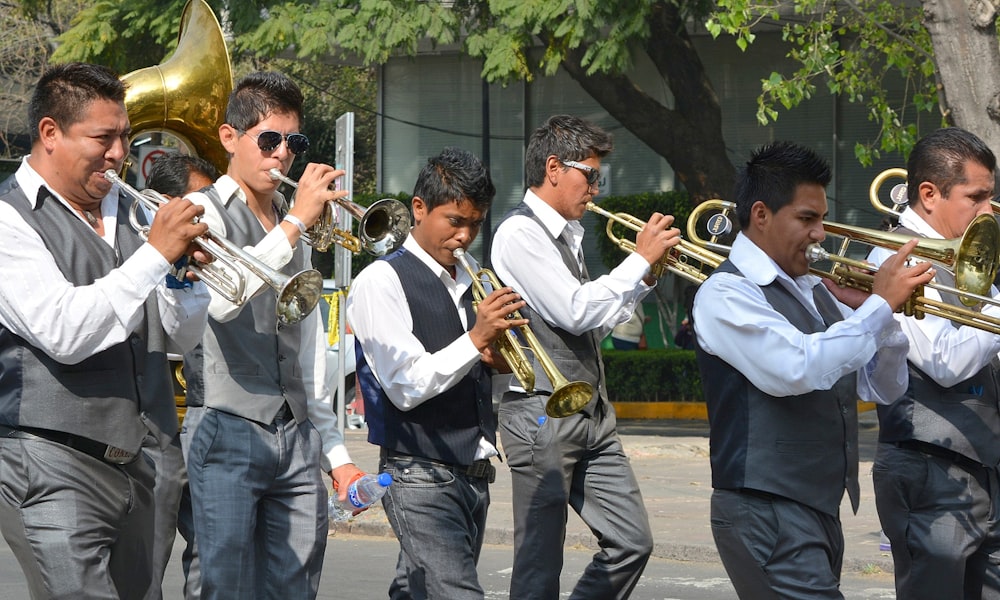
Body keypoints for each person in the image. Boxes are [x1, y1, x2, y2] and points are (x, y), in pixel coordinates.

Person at [0, 62, 210, 599]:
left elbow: (179, 339)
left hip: (143, 464)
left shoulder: (133, 210)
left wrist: (186, 284)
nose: (120, 153)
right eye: (104, 138)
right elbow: (65, 331)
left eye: (124, 136)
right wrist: (156, 255)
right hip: (50, 463)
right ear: (51, 134)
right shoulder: (8, 220)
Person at [692, 141, 935, 599]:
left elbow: (880, 387)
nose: (821, 234)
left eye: (822, 219)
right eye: (807, 219)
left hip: (816, 507)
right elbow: (796, 368)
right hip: (765, 508)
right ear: (761, 215)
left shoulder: (814, 290)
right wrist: (879, 306)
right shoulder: (726, 293)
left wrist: (884, 323)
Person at [179, 71, 363, 600]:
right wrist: (296, 226)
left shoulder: (292, 219)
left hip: (297, 431)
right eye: (269, 139)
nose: (282, 155)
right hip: (226, 422)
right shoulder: (203, 211)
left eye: (293, 143)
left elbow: (308, 350)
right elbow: (220, 297)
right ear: (230, 138)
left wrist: (333, 448)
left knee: (296, 584)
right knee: (222, 585)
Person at [490, 114, 679, 599]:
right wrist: (638, 260)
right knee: (539, 564)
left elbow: (596, 320)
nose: (596, 187)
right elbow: (574, 312)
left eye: (599, 177)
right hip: (539, 411)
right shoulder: (519, 234)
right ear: (554, 168)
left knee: (632, 541)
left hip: (590, 409)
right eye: (590, 175)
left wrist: (647, 278)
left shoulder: (568, 233)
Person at [347, 146, 524, 598]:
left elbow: (477, 378)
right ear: (419, 210)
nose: (465, 236)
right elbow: (406, 386)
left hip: (474, 472)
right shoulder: (381, 281)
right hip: (418, 473)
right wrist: (476, 338)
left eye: (476, 223)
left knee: (417, 592)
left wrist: (501, 367)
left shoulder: (474, 281)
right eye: (455, 221)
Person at [866, 127, 1000, 599]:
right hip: (930, 470)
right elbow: (944, 361)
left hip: (983, 464)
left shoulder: (972, 257)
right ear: (929, 194)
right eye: (977, 197)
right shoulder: (892, 255)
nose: (989, 211)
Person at [143, 153, 220, 600]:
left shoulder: (209, 251)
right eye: (199, 202)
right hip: (160, 427)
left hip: (210, 418)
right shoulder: (133, 249)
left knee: (212, 558)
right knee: (148, 561)